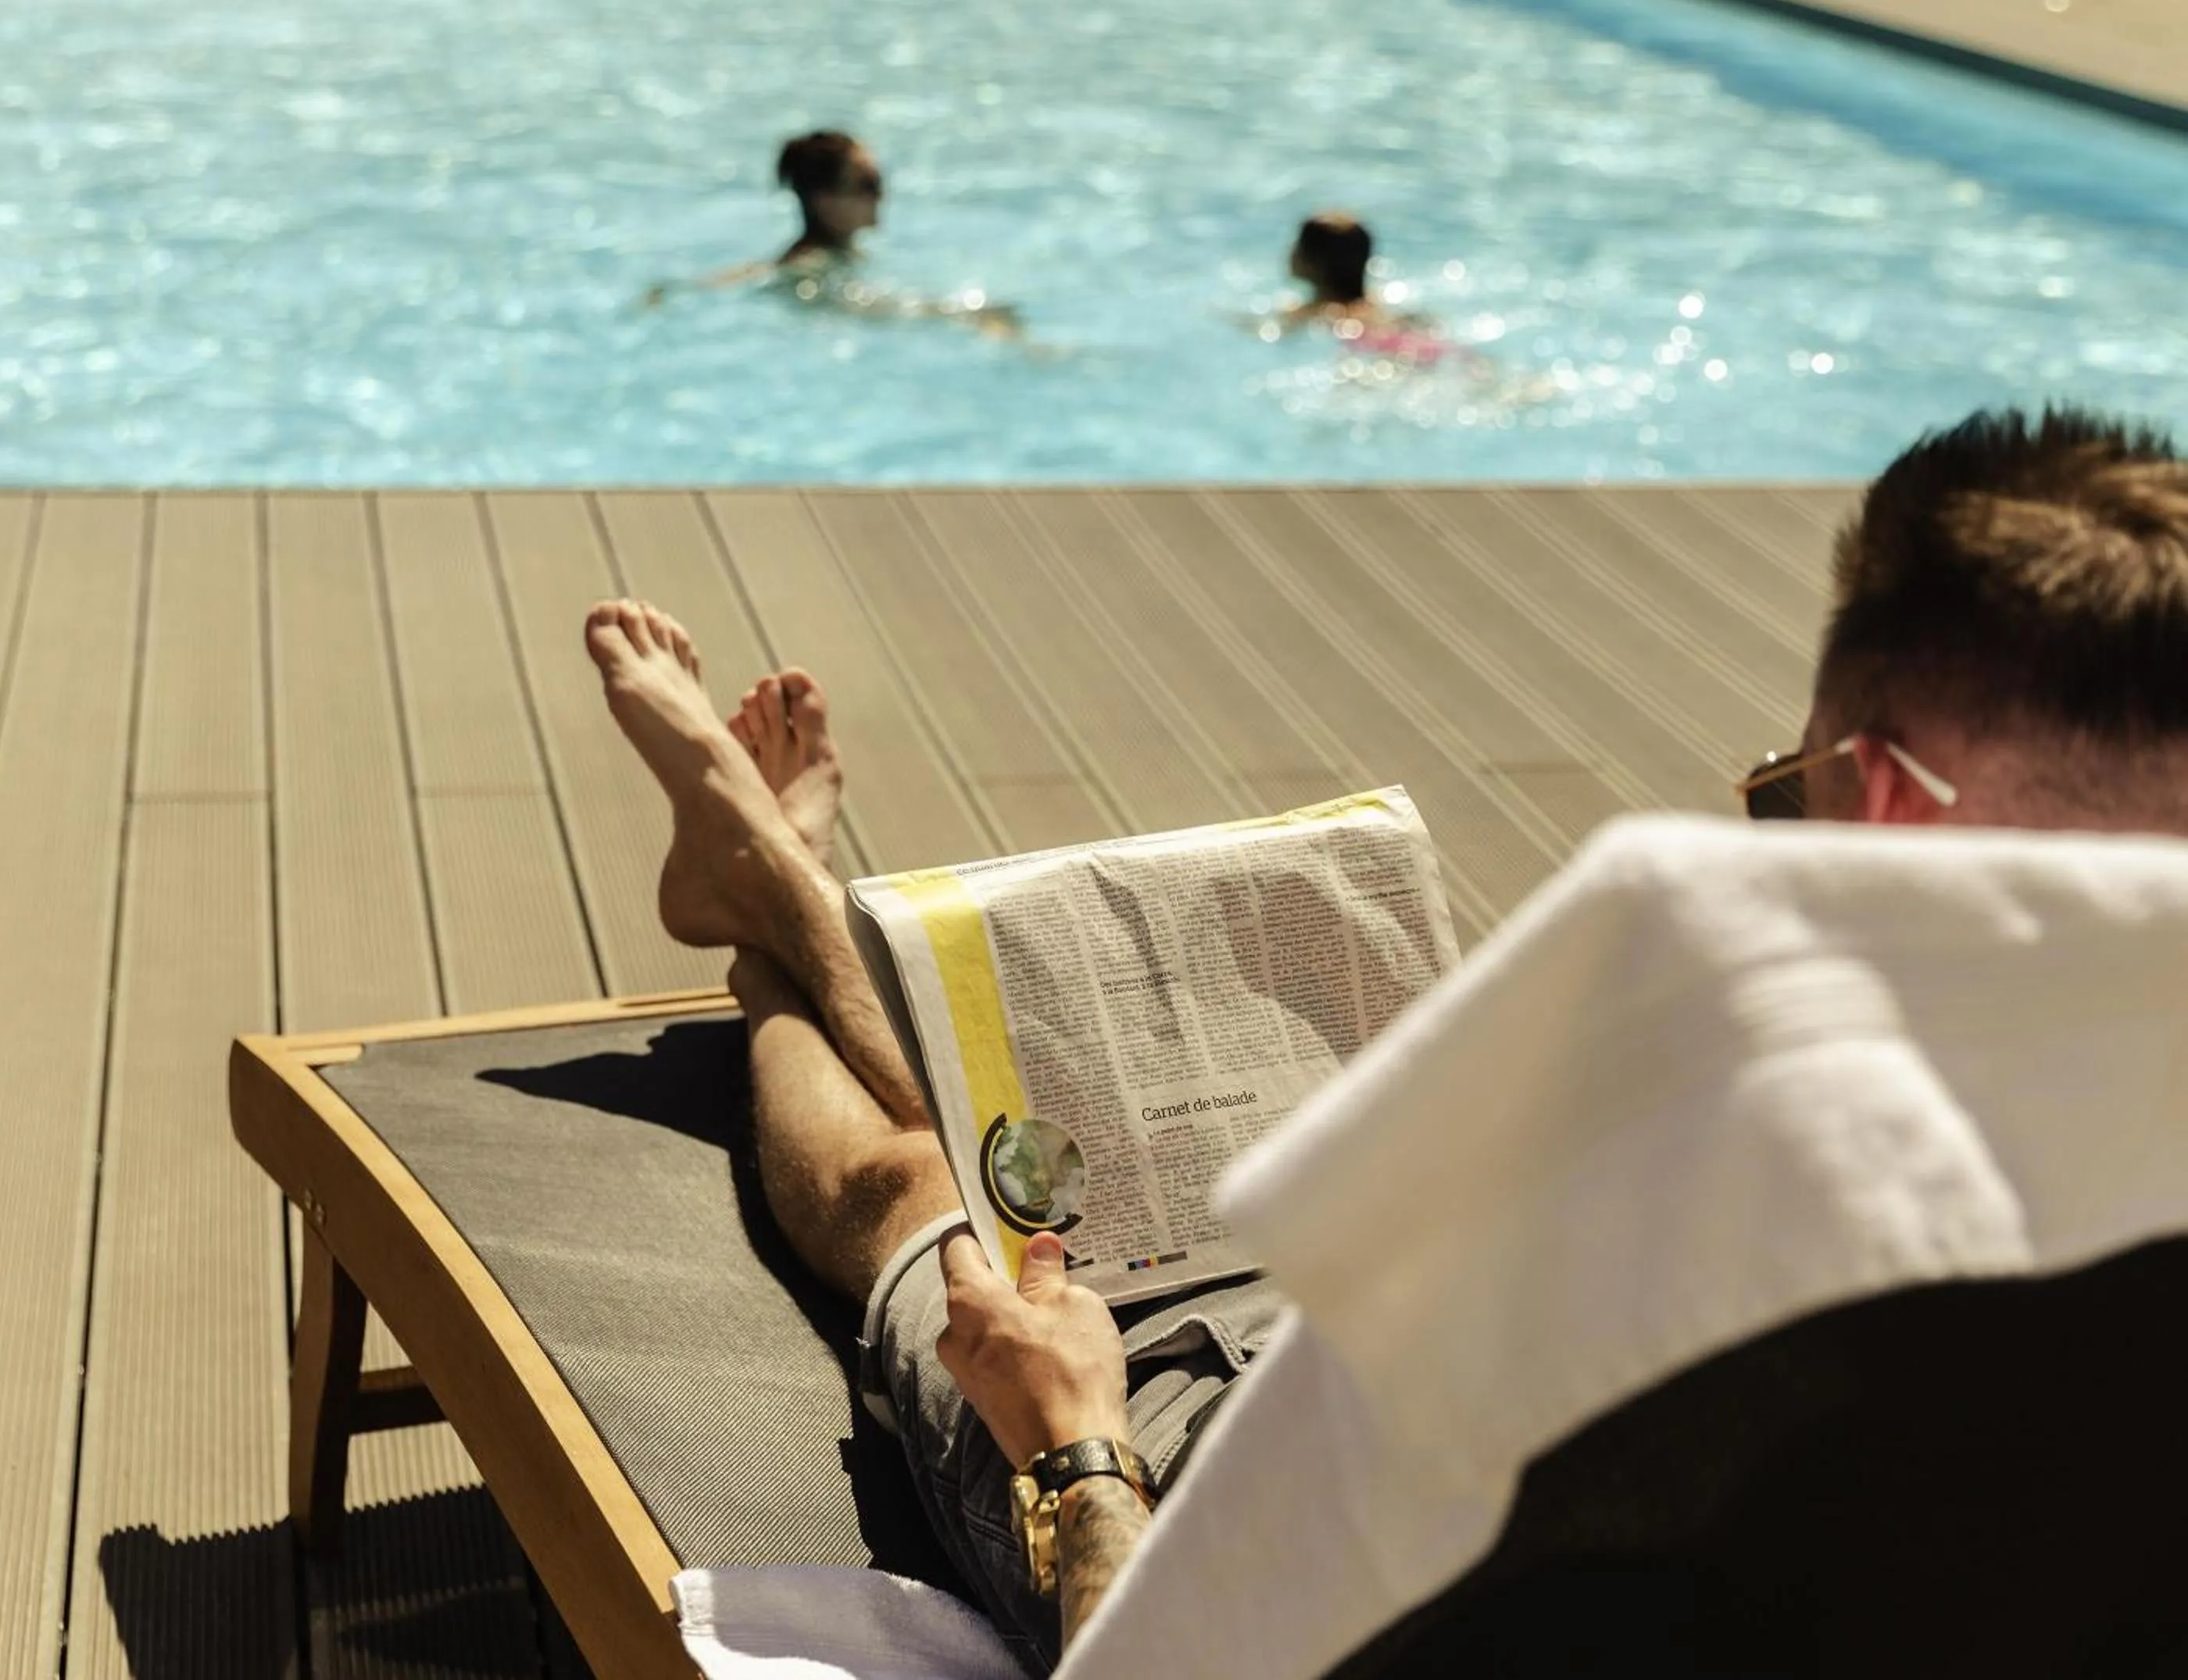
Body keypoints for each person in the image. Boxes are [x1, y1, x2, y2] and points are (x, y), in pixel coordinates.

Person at [580, 402, 2188, 1673]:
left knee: (927, 1187)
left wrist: (1072, 1443)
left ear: (1894, 795)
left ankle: (766, 899)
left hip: (1213, 1485)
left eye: (1797, 798)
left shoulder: (1733, 1250)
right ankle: (775, 876)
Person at [649, 130, 1020, 337]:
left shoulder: (836, 256)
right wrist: (955, 314)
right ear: (825, 201)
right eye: (867, 185)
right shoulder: (812, 265)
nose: (881, 195)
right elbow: (853, 307)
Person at [1264, 210, 1454, 365]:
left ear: (1310, 262)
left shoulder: (1314, 313)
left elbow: (1269, 331)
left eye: (1297, 244)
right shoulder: (1380, 304)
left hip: (1371, 352)